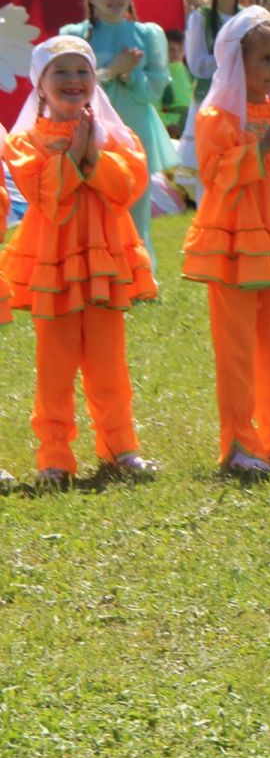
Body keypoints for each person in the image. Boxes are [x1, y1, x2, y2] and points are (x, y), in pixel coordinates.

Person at [3, 36, 161, 486]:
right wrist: (76, 155)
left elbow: (128, 187)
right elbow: (45, 197)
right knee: (55, 362)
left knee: (109, 359)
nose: (74, 81)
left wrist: (94, 156)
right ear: (40, 85)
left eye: (82, 72)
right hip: (53, 262)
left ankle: (120, 447)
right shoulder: (25, 141)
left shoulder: (115, 134)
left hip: (104, 259)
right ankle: (54, 456)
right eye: (62, 73)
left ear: (95, 79)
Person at [182, 7, 270, 475]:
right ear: (234, 62)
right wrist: (265, 148)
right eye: (264, 59)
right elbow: (215, 174)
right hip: (232, 243)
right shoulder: (216, 115)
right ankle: (238, 444)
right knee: (237, 348)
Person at [62, 0, 179, 261]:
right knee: (97, 201)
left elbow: (155, 90)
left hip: (135, 128)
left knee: (137, 200)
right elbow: (68, 86)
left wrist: (130, 75)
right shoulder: (75, 35)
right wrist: (111, 71)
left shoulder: (147, 34)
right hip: (94, 131)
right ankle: (101, 269)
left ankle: (140, 271)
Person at [184, 0, 245, 100]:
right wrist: (233, 55)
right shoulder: (200, 18)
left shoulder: (247, 16)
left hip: (241, 95)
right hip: (209, 99)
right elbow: (197, 65)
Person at [160, 28, 193, 137]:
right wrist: (167, 123)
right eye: (171, 49)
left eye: (180, 49)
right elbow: (153, 107)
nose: (176, 53)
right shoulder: (159, 72)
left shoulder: (189, 71)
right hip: (173, 125)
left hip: (192, 122)